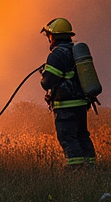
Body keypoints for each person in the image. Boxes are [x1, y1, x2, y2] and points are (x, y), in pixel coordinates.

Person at [39, 18, 96, 167]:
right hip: (81, 104)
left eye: (48, 36)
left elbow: (47, 82)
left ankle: (76, 169)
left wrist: (43, 75)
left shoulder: (57, 55)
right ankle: (90, 167)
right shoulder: (75, 51)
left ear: (53, 36)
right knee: (82, 136)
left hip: (66, 106)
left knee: (68, 138)